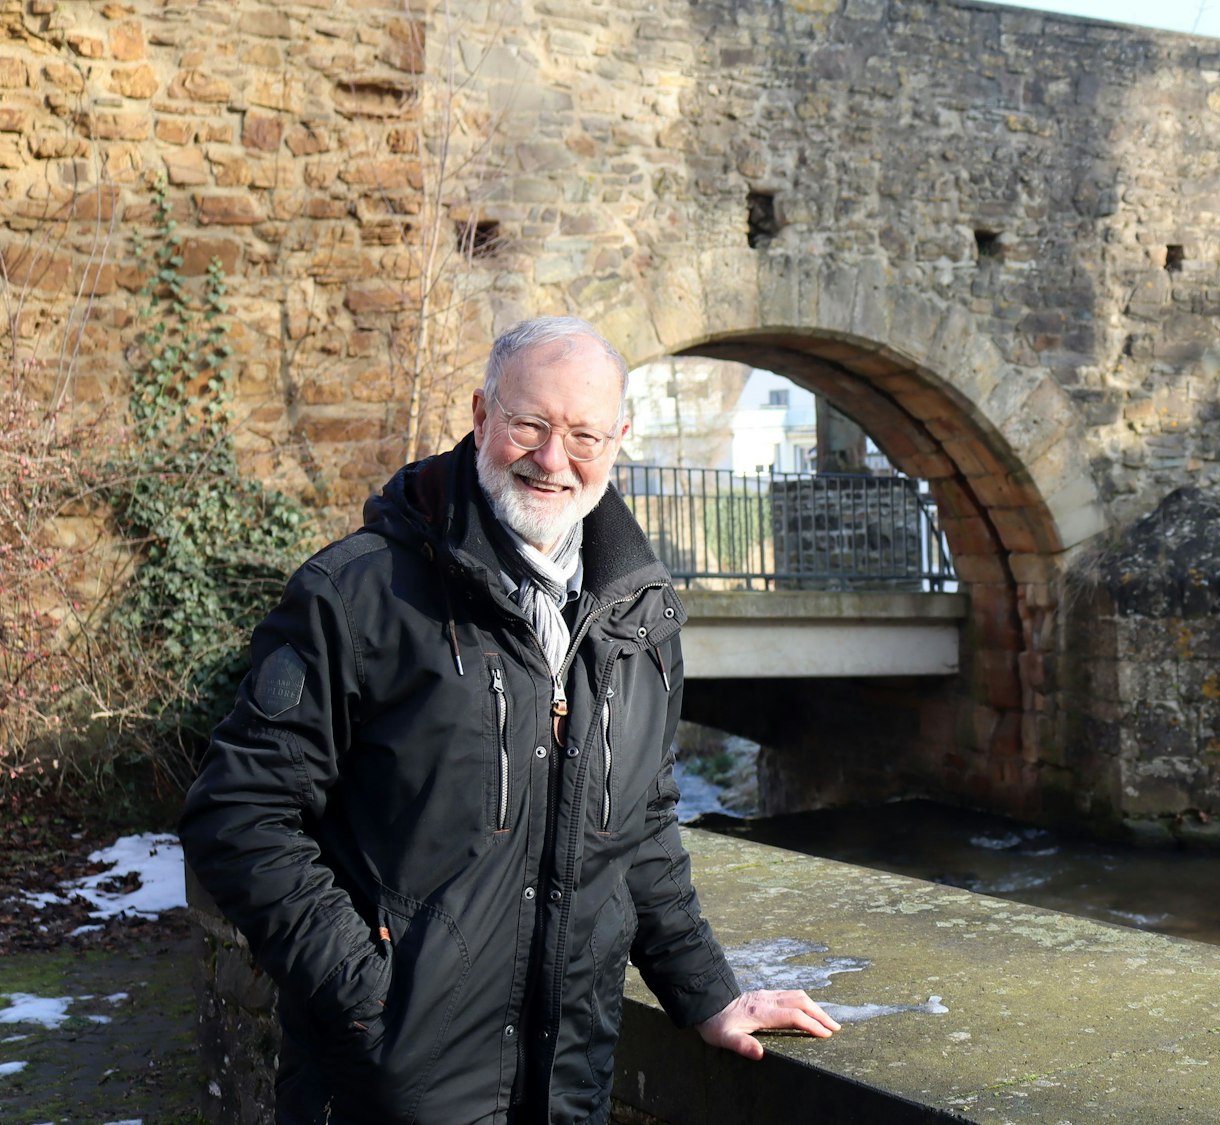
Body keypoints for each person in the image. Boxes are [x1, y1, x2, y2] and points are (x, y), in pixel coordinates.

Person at [181, 316, 839, 1124]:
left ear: (619, 438)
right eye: (530, 423)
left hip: (567, 1090)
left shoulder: (643, 615)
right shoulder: (356, 595)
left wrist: (707, 992)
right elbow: (239, 813)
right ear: (481, 414)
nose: (553, 459)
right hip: (383, 1094)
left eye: (584, 434)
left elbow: (642, 826)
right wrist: (367, 996)